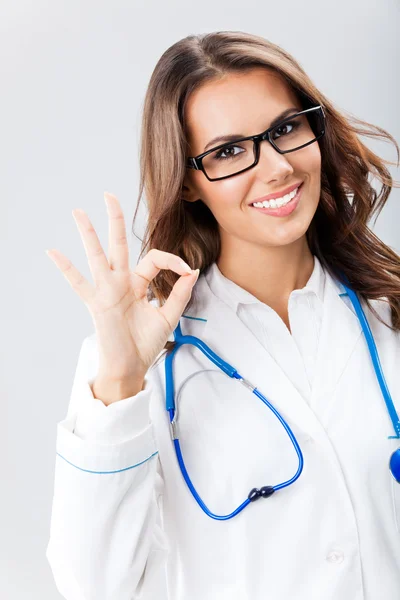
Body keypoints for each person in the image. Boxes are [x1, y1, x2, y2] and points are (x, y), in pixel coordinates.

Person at [45, 30, 400, 600]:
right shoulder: (141, 361)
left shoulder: (389, 314)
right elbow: (94, 585)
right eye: (229, 151)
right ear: (186, 180)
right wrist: (119, 379)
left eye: (287, 128)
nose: (277, 167)